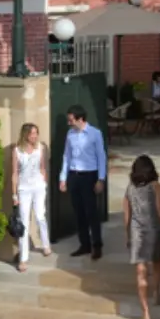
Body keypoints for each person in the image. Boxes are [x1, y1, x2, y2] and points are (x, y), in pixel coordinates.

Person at [123, 154, 160, 319]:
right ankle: (157, 293)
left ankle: (145, 312)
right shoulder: (155, 186)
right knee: (157, 262)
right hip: (154, 231)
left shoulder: (129, 188)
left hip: (137, 233)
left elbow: (127, 215)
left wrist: (127, 234)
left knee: (140, 271)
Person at [59, 105, 107, 259]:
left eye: (71, 120)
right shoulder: (70, 134)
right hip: (74, 175)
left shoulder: (95, 134)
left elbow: (101, 156)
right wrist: (63, 178)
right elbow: (66, 156)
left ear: (80, 119)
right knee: (79, 213)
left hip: (89, 176)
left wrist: (101, 179)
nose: (69, 123)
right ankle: (84, 244)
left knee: (91, 212)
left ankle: (97, 244)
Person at [10, 123, 51, 270]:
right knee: (24, 223)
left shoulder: (41, 148)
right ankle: (23, 258)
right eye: (32, 133)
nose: (35, 136)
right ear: (25, 134)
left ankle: (46, 244)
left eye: (36, 133)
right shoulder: (17, 150)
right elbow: (14, 173)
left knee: (40, 216)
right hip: (24, 189)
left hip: (38, 187)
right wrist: (14, 194)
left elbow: (42, 167)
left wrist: (44, 182)